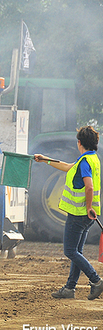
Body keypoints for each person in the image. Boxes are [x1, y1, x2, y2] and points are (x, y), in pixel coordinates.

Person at [34, 125, 103, 300]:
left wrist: (87, 207)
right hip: (87, 215)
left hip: (80, 213)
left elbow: (89, 186)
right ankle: (69, 289)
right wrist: (45, 160)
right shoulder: (92, 159)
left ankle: (96, 280)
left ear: (79, 142)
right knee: (76, 252)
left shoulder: (85, 162)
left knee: (70, 251)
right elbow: (67, 167)